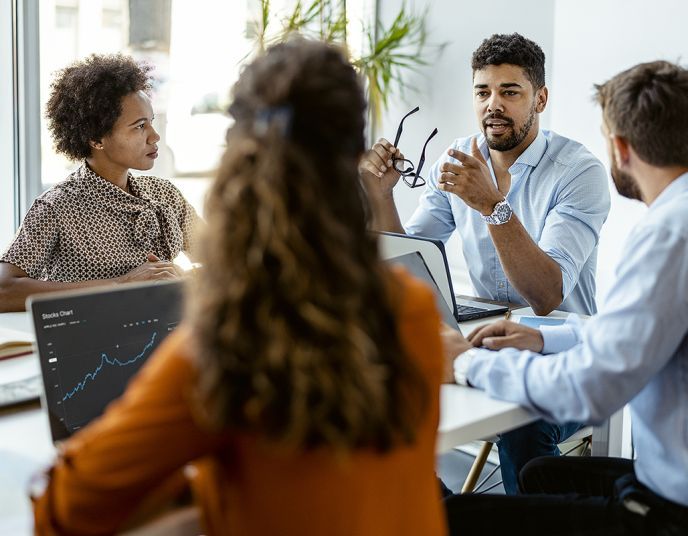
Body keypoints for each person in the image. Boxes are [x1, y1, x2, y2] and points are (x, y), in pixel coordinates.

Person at [31, 39, 447, 535]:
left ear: (239, 159)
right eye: (138, 125)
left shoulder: (223, 346)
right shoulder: (414, 309)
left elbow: (65, 509)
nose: (153, 136)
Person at [442, 60, 688, 535]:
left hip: (678, 515)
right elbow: (647, 332)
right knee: (538, 475)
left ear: (621, 147)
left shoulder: (672, 234)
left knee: (449, 514)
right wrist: (545, 340)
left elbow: (588, 391)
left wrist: (466, 363)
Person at [361, 32, 610, 495]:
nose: (493, 104)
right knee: (381, 390)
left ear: (541, 98)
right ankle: (438, 508)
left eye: (510, 92)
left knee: (522, 426)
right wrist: (382, 196)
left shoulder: (579, 172)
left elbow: (546, 294)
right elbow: (409, 260)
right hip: (484, 340)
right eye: (483, 92)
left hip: (565, 350)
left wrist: (493, 206)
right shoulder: (457, 160)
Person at [0, 53, 199, 312]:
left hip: (164, 336)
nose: (154, 136)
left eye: (151, 122)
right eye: (139, 126)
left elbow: (226, 262)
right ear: (96, 139)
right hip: (92, 345)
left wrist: (184, 280)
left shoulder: (165, 194)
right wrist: (120, 284)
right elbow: (4, 289)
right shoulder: (57, 207)